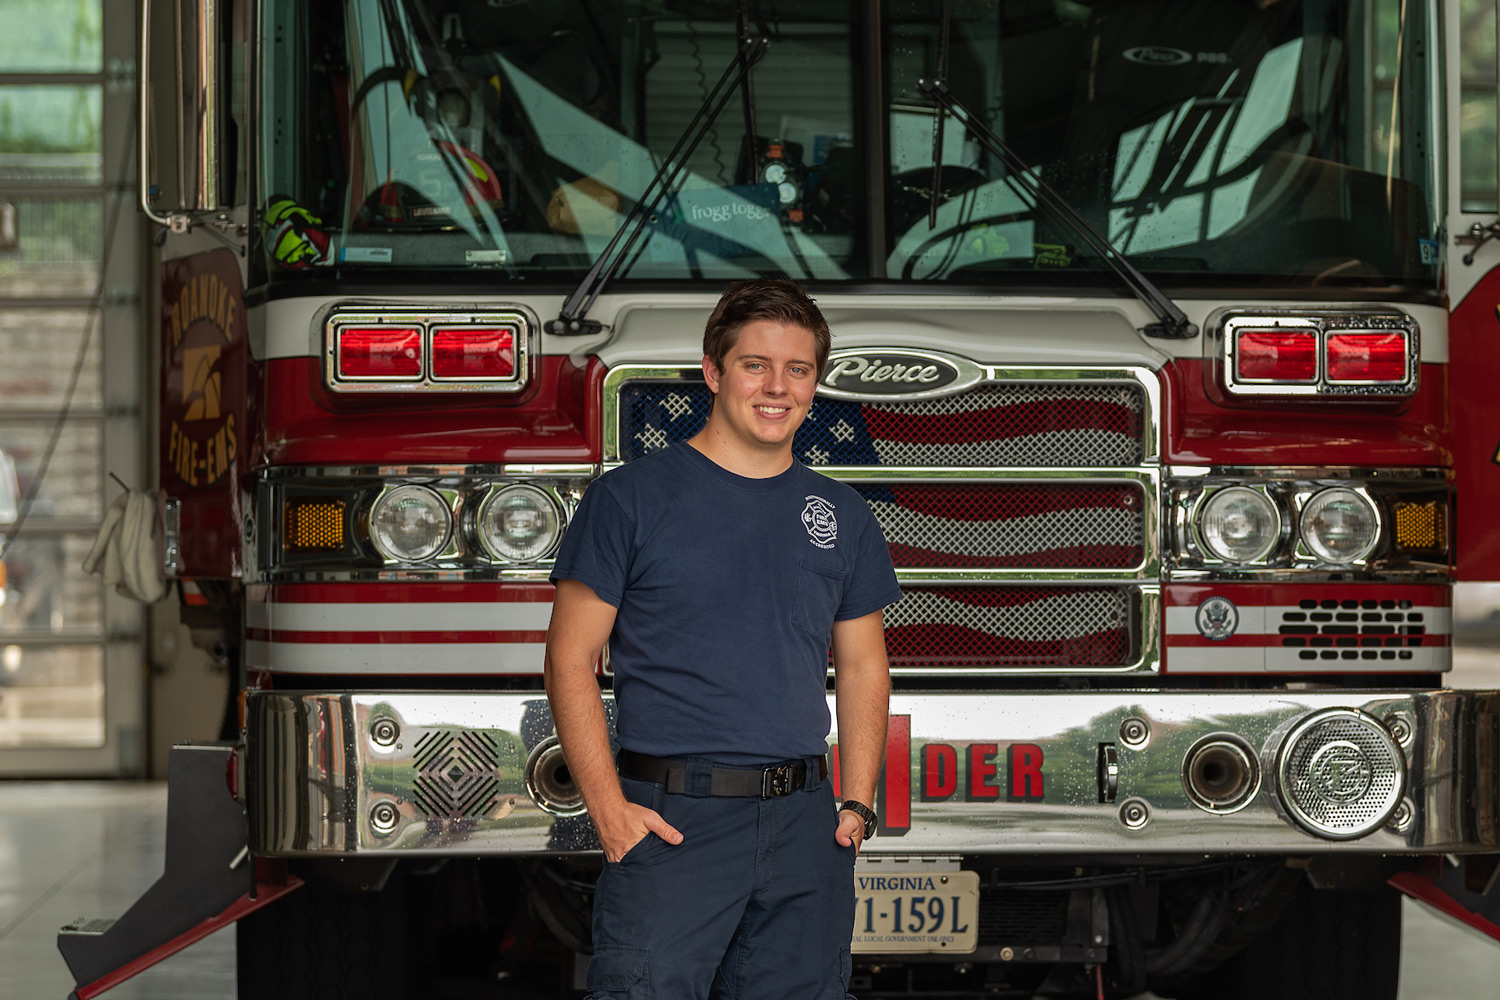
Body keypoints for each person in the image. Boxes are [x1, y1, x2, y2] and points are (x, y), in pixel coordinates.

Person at [544, 277, 902, 1000]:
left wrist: (856, 806)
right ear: (713, 371)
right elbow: (569, 659)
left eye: (798, 369)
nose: (778, 387)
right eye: (755, 365)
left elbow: (864, 668)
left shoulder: (842, 514)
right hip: (674, 820)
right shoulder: (629, 500)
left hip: (806, 825)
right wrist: (608, 812)